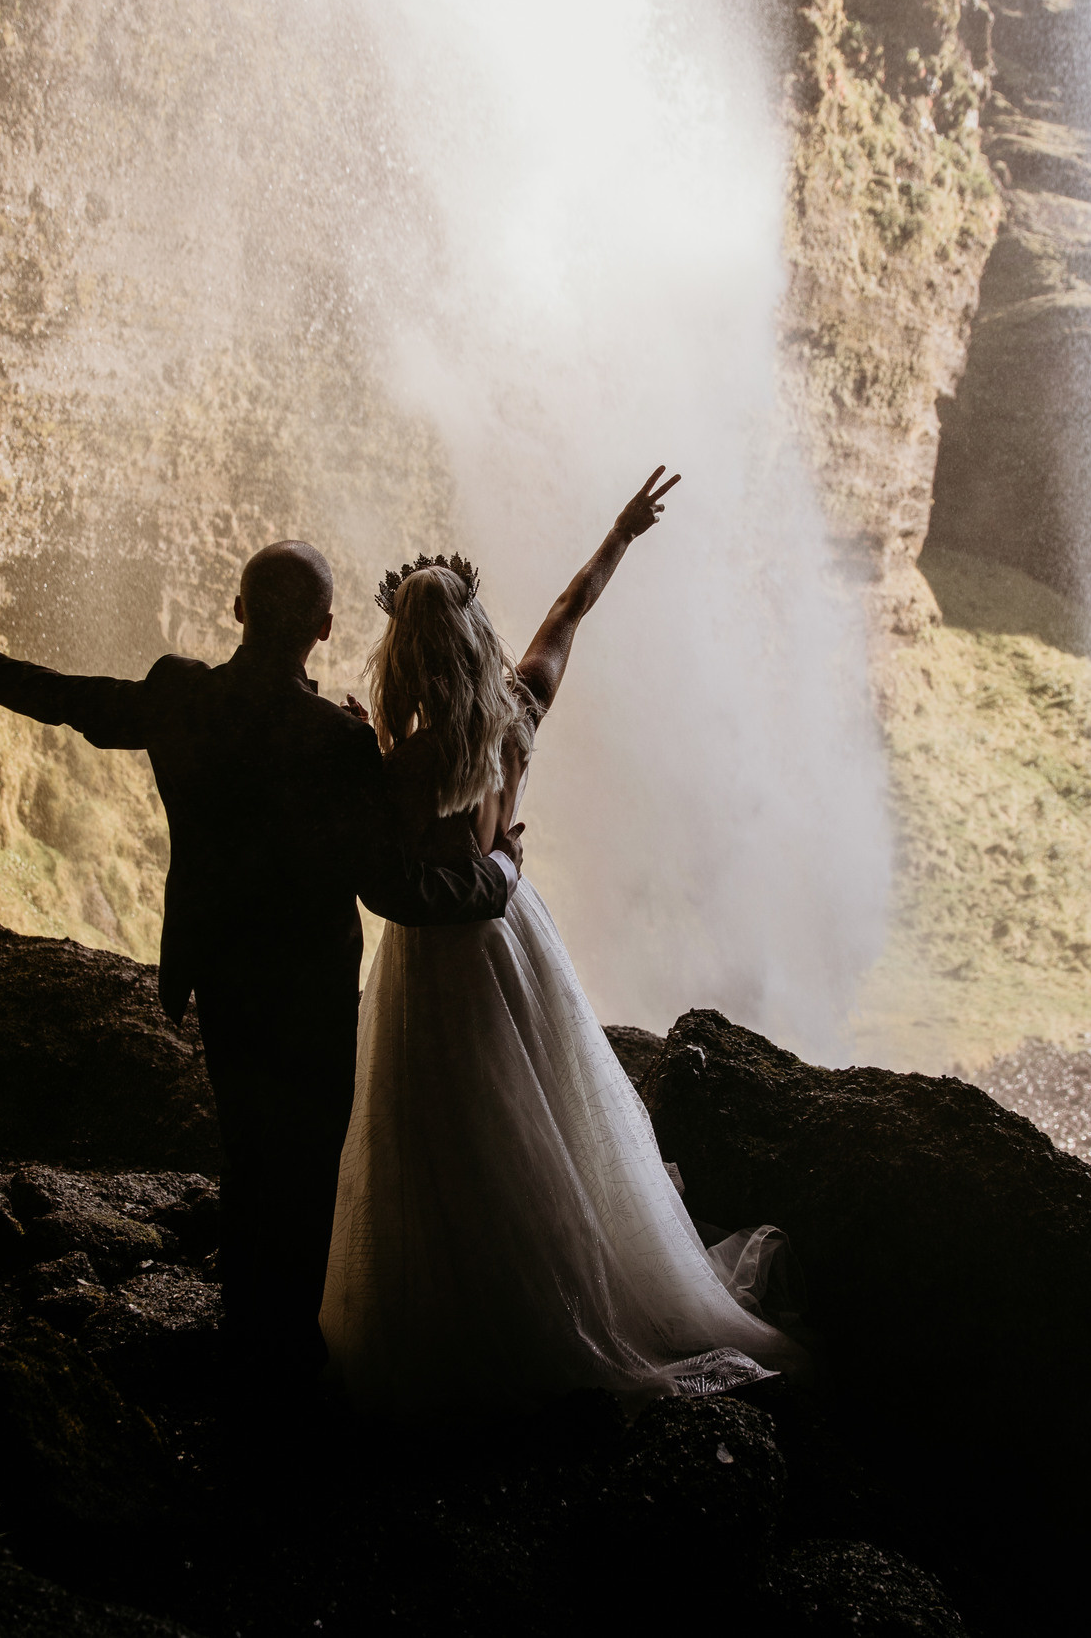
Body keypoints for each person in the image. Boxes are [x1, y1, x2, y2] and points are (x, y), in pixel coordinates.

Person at [0, 542, 518, 1387]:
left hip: (222, 979)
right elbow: (397, 890)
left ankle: (245, 1340)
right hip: (310, 994)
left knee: (248, 1157)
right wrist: (496, 875)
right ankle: (287, 1363)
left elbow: (85, 705)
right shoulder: (338, 742)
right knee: (305, 1176)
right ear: (325, 628)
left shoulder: (182, 696)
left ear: (238, 611)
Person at [319, 466, 805, 1418]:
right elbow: (568, 611)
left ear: (406, 655)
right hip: (517, 944)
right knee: (546, 1124)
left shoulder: (409, 763)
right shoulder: (520, 709)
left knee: (446, 1136)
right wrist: (621, 531)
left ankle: (463, 1318)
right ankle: (561, 1288)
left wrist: (363, 752)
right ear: (475, 637)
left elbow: (392, 866)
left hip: (438, 961)